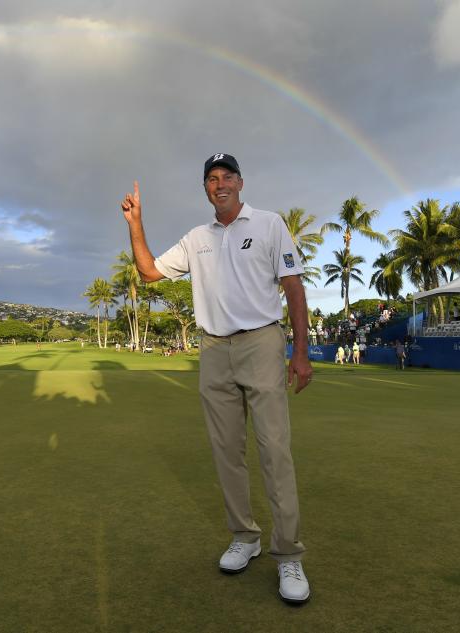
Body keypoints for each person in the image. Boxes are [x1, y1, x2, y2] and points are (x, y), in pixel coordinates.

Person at [121, 153, 312, 604]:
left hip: (262, 342)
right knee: (227, 452)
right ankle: (245, 538)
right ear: (205, 188)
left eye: (227, 177)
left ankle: (288, 555)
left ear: (241, 183)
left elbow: (294, 287)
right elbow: (149, 273)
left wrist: (300, 352)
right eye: (212, 179)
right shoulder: (196, 238)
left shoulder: (269, 224)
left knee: (274, 450)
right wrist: (136, 222)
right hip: (213, 349)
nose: (219, 184)